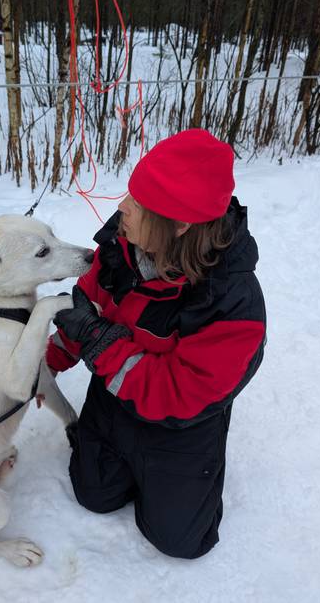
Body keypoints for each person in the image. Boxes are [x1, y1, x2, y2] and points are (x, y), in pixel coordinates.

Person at [47, 128, 266, 559]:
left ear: (180, 224)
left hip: (180, 423)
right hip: (115, 398)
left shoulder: (230, 301)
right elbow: (86, 308)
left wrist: (100, 343)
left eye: (139, 204)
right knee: (94, 495)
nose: (122, 208)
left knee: (180, 542)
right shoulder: (121, 246)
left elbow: (181, 394)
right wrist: (47, 362)